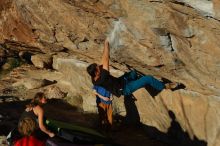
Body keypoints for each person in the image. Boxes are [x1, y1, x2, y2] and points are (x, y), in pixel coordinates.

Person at [87, 39, 177, 98]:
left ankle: (144, 85)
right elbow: (106, 59)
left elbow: (103, 60)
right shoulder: (102, 78)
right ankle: (165, 86)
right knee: (148, 78)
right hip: (125, 89)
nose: (100, 66)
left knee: (133, 73)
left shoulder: (94, 77)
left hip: (122, 81)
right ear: (96, 72)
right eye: (98, 67)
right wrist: (106, 43)